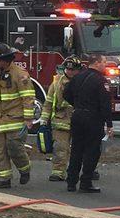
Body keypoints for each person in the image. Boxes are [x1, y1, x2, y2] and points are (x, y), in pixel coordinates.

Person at [0, 43, 36, 189]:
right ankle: (4, 178)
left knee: (14, 148)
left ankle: (24, 169)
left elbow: (28, 97)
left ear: (5, 59)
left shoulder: (20, 74)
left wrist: (28, 119)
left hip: (15, 118)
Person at [63, 54, 113, 193]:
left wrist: (77, 104)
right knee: (92, 150)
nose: (105, 64)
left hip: (77, 115)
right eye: (104, 62)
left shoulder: (77, 77)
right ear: (96, 63)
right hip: (93, 118)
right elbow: (105, 104)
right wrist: (109, 124)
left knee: (76, 149)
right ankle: (86, 182)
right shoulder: (101, 81)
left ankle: (71, 182)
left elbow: (66, 93)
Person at [40, 58, 83, 182]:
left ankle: (86, 171)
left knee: (82, 148)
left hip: (79, 120)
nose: (69, 71)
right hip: (61, 120)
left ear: (78, 70)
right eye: (68, 69)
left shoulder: (83, 81)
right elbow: (48, 102)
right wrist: (44, 119)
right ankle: (58, 172)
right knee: (60, 147)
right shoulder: (57, 82)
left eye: (72, 69)